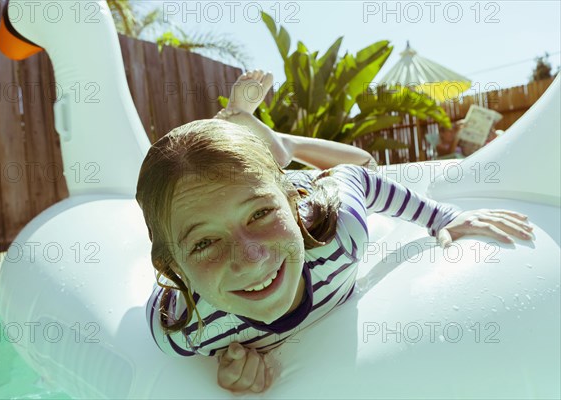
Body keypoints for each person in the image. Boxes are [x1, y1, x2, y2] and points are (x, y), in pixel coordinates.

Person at [136, 71, 533, 394]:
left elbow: (358, 177)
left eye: (259, 215)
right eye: (204, 242)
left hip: (308, 191)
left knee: (366, 161)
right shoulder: (185, 330)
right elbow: (161, 299)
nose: (251, 259)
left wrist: (441, 217)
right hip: (265, 194)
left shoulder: (342, 233)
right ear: (174, 266)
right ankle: (258, 146)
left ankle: (279, 145)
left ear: (289, 206)